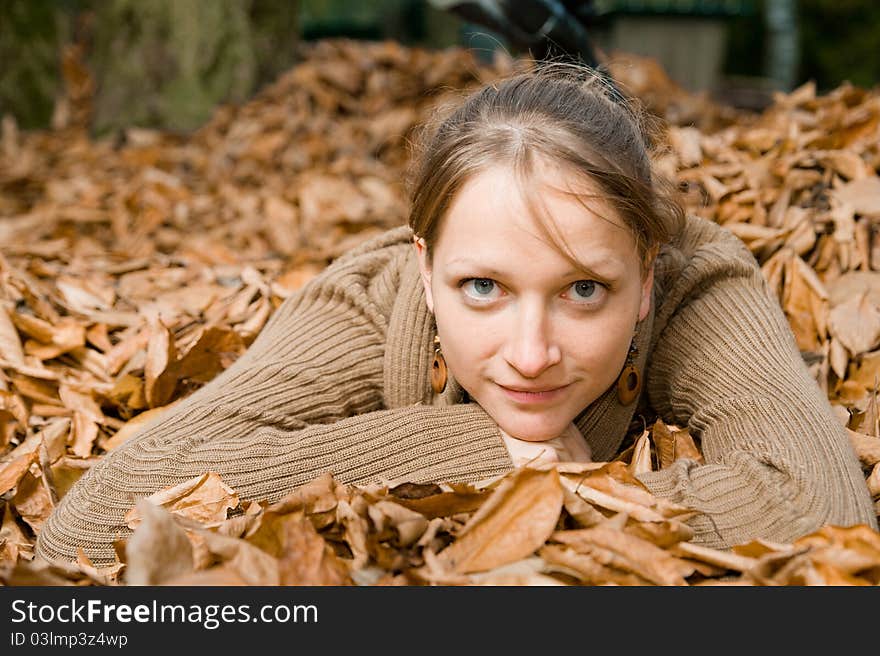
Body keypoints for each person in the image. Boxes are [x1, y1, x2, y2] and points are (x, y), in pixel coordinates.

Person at [35, 64, 877, 568]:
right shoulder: (368, 301)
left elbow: (822, 508)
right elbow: (91, 518)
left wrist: (573, 491)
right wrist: (484, 449)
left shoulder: (697, 283)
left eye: (585, 289)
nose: (532, 352)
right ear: (426, 271)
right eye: (484, 288)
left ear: (646, 277)